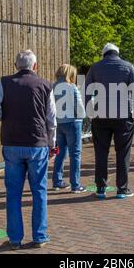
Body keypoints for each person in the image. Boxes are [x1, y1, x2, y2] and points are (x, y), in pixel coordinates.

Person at [0, 50, 57, 250]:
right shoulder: (45, 85)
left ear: (15, 65)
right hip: (37, 144)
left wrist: (5, 117)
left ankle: (15, 239)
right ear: (35, 66)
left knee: (13, 193)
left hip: (12, 142)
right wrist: (52, 144)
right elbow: (52, 119)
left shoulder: (4, 83)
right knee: (39, 191)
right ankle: (40, 235)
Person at [85, 43, 134, 199]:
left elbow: (86, 90)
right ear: (117, 53)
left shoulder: (95, 67)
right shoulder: (128, 66)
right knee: (123, 152)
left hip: (100, 115)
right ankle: (122, 189)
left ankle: (101, 188)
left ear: (104, 54)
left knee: (101, 152)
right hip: (123, 116)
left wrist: (90, 112)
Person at [52, 64, 87, 194]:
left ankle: (57, 181)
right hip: (73, 122)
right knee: (75, 154)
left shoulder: (52, 87)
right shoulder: (72, 87)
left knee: (60, 153)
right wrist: (82, 116)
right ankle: (75, 185)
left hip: (59, 123)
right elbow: (79, 106)